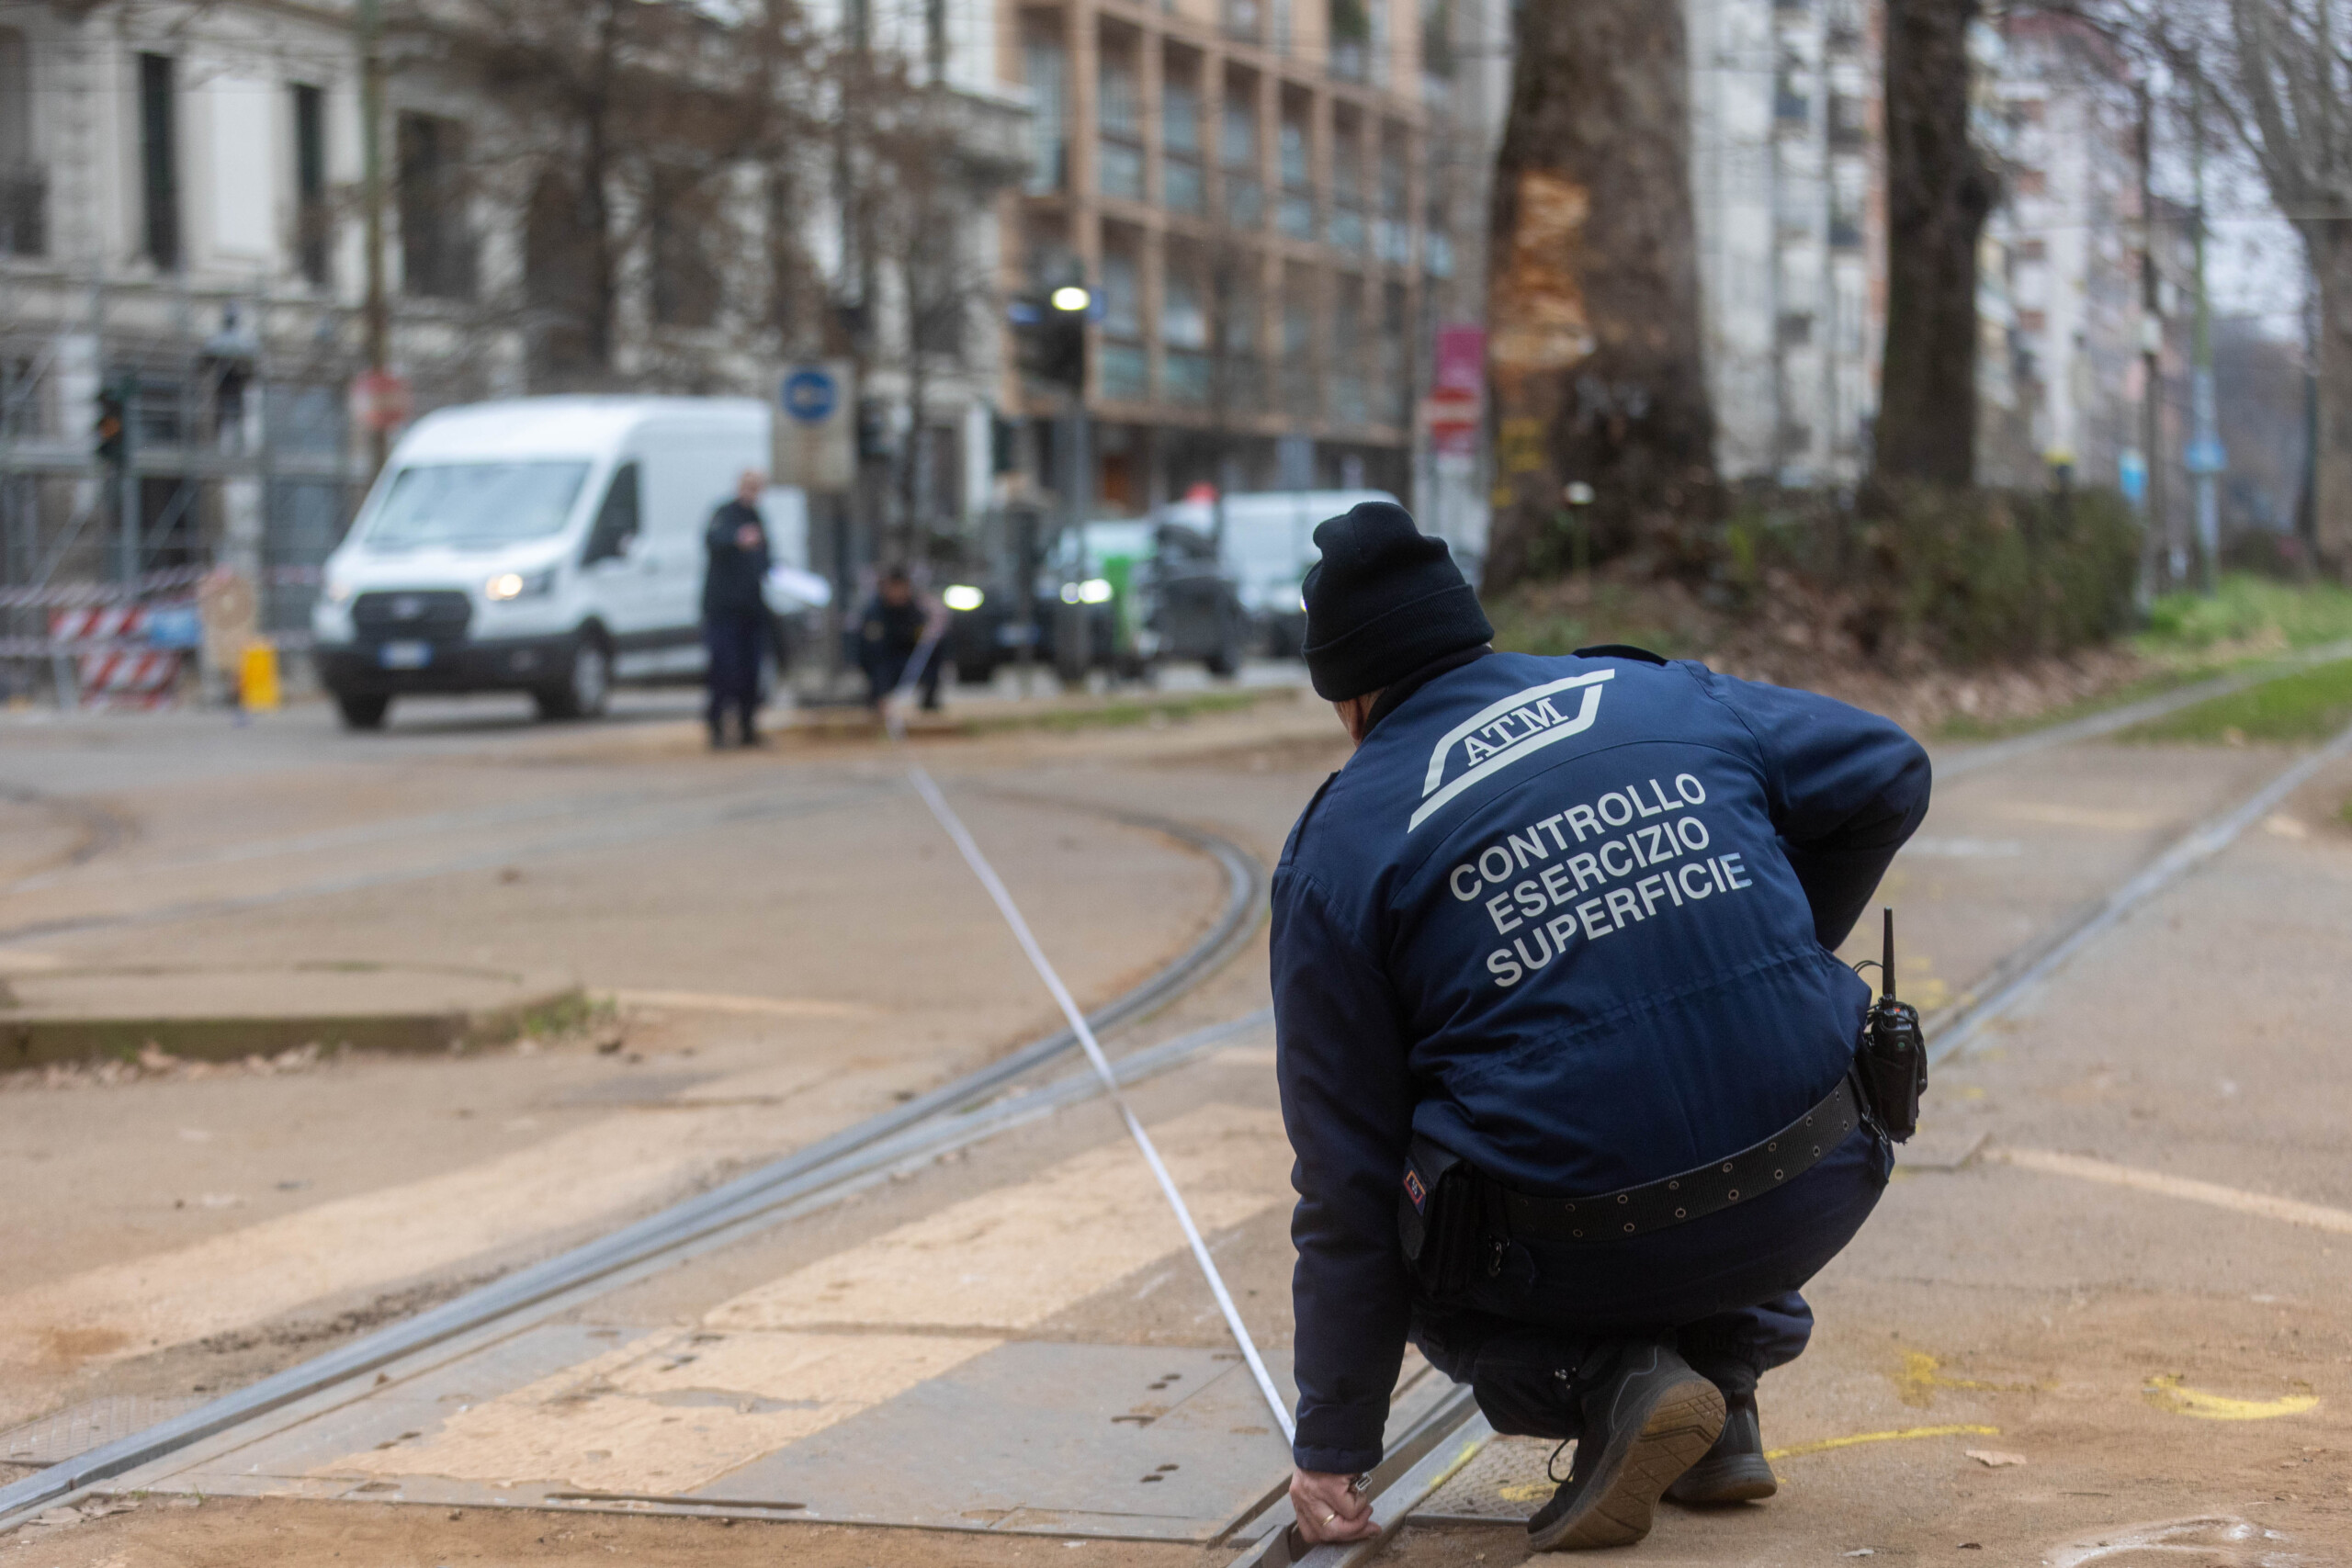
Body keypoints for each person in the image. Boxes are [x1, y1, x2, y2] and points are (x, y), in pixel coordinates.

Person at [1274, 502, 1929, 1553]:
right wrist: (1777, 945)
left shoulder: (1340, 847)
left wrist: (1332, 1442)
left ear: (1352, 700)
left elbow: (1345, 1178)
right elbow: (1890, 770)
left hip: (1568, 1248)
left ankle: (1611, 1380)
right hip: (1815, 1175)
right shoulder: (1656, 692)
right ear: (1470, 632)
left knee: (1411, 1191)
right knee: (1702, 1083)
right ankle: (1722, 1392)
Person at [702, 471, 773, 748]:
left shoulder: (757, 517)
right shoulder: (724, 514)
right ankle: (717, 728)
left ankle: (747, 727)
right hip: (724, 610)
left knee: (750, 671)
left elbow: (766, 559)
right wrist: (737, 539)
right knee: (724, 669)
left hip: (751, 608)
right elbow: (713, 540)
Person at [857, 568, 943, 711]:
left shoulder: (914, 610)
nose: (898, 592)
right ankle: (879, 701)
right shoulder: (875, 613)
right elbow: (871, 652)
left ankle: (928, 703)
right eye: (894, 587)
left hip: (908, 661)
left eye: (902, 587)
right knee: (880, 670)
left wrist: (929, 635)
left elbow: (919, 636)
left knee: (932, 658)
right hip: (884, 663)